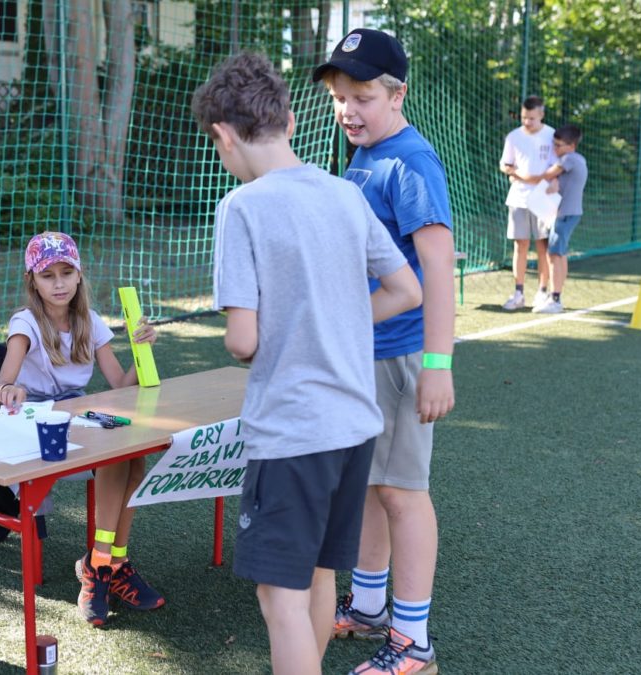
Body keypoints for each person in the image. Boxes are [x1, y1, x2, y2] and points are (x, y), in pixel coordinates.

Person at [193, 52, 422, 675]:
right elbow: (406, 290)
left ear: (222, 135)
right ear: (291, 121)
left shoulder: (242, 206)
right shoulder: (345, 193)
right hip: (355, 428)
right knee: (320, 577)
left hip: (293, 431)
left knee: (279, 598)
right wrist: (337, 321)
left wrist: (282, 331)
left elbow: (243, 340)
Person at [314, 28, 456, 675]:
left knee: (403, 493)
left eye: (362, 97)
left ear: (398, 95)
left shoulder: (409, 160)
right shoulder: (366, 154)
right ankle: (369, 606)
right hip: (365, 355)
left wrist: (437, 365)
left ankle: (413, 641)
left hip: (401, 358)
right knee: (371, 487)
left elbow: (439, 268)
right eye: (340, 97)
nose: (348, 110)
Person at [0, 231, 165, 627]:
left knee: (134, 455)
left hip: (76, 414)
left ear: (79, 275)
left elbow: (120, 384)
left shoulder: (90, 320)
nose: (59, 283)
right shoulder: (25, 322)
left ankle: (108, 563)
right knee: (115, 454)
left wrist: (143, 349)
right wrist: (9, 391)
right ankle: (103, 564)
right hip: (34, 420)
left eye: (66, 273)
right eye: (47, 275)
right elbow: (1, 384)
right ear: (32, 280)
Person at [516, 124, 587, 314]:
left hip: (565, 214)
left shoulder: (568, 159)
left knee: (554, 255)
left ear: (571, 145)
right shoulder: (577, 159)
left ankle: (555, 299)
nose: (554, 149)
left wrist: (515, 174)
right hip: (569, 213)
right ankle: (555, 295)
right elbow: (554, 179)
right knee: (559, 254)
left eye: (558, 145)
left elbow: (543, 176)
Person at [499, 95, 557, 311]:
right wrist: (516, 173)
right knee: (520, 245)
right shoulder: (513, 137)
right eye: (524, 117)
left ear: (541, 115)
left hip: (543, 198)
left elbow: (556, 166)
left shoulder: (552, 135)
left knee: (543, 246)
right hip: (518, 198)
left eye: (531, 118)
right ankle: (518, 293)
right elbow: (505, 164)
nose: (527, 122)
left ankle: (542, 292)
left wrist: (535, 179)